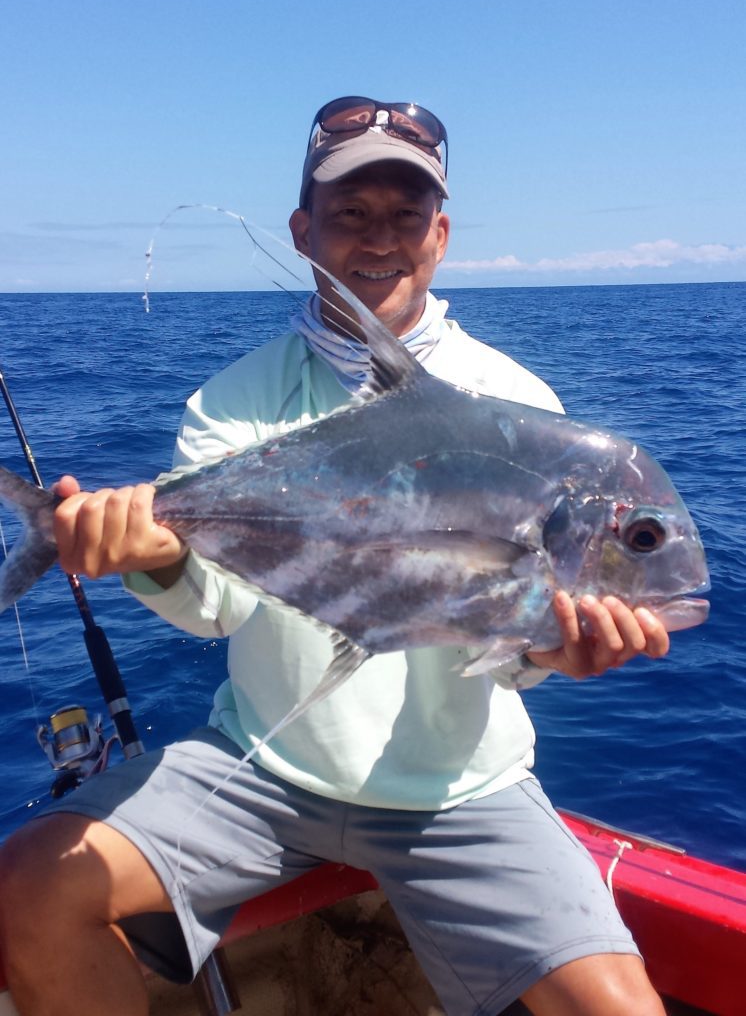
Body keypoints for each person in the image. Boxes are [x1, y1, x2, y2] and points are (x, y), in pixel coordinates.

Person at [0, 96, 671, 1016]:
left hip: (460, 790)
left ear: (440, 232)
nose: (378, 238)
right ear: (302, 229)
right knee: (28, 890)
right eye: (350, 213)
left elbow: (514, 642)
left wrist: (552, 654)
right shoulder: (236, 401)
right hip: (265, 765)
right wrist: (151, 554)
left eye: (404, 214)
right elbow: (218, 609)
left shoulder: (517, 402)